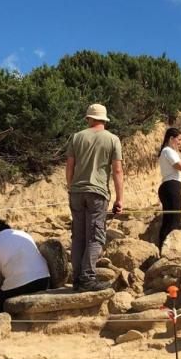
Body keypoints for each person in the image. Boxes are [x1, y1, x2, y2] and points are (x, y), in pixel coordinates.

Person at [65, 103, 124, 292]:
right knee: (95, 237)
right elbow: (117, 171)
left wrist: (71, 187)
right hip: (97, 193)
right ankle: (88, 279)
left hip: (76, 191)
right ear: (104, 120)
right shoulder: (113, 139)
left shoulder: (76, 137)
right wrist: (119, 199)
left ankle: (76, 279)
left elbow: (69, 167)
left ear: (89, 118)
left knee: (78, 237)